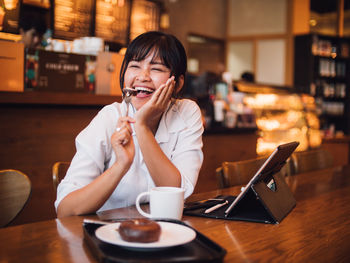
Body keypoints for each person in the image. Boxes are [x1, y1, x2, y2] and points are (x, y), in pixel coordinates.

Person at [55, 31, 204, 217]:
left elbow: (176, 192)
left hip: (165, 232)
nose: (143, 76)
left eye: (156, 69)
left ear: (178, 83)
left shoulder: (186, 113)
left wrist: (142, 126)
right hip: (107, 234)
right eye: (134, 66)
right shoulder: (109, 118)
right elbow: (66, 209)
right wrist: (121, 165)